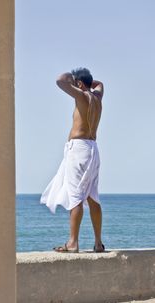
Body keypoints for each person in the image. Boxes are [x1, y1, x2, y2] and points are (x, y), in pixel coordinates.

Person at [40, 68, 105, 253]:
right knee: (93, 197)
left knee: (75, 196)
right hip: (93, 149)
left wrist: (73, 78)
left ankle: (73, 243)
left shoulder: (82, 97)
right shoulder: (98, 99)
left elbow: (60, 81)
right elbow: (100, 84)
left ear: (79, 85)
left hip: (78, 150)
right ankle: (98, 243)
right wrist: (85, 81)